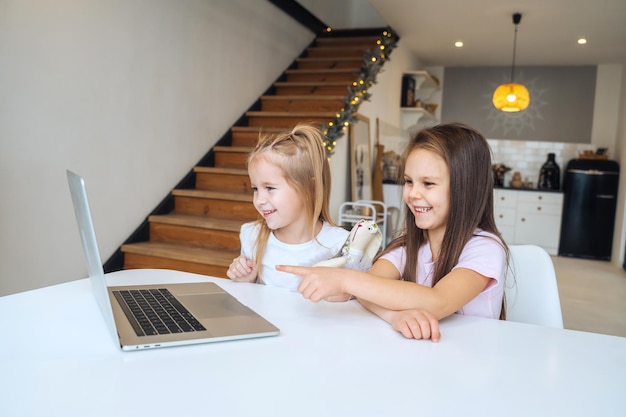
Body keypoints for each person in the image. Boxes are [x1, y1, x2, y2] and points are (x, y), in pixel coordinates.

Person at [277, 123, 509, 341]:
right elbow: (370, 287)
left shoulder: (486, 248)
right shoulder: (408, 244)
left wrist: (345, 280)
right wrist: (394, 316)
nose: (413, 194)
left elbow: (438, 301)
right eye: (409, 181)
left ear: (466, 188)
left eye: (428, 183)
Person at [226, 123, 349, 294]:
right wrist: (246, 280)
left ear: (309, 188)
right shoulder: (252, 237)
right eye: (255, 189)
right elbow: (247, 301)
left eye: (270, 188)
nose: (259, 200)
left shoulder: (340, 245)